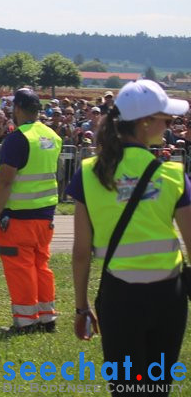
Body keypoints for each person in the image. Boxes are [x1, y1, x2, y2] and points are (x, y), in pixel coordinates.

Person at [68, 80, 190, 392]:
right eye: (166, 119)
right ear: (145, 122)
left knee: (126, 388)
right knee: (157, 387)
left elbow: (81, 251)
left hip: (119, 298)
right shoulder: (173, 175)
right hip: (168, 298)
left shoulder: (89, 172)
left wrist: (82, 307)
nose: (170, 125)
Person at [0, 88, 62, 333]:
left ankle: (26, 321)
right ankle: (47, 317)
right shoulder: (52, 136)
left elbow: (6, 181)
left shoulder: (18, 138)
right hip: (45, 216)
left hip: (18, 217)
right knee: (41, 266)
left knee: (21, 269)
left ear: (17, 109)